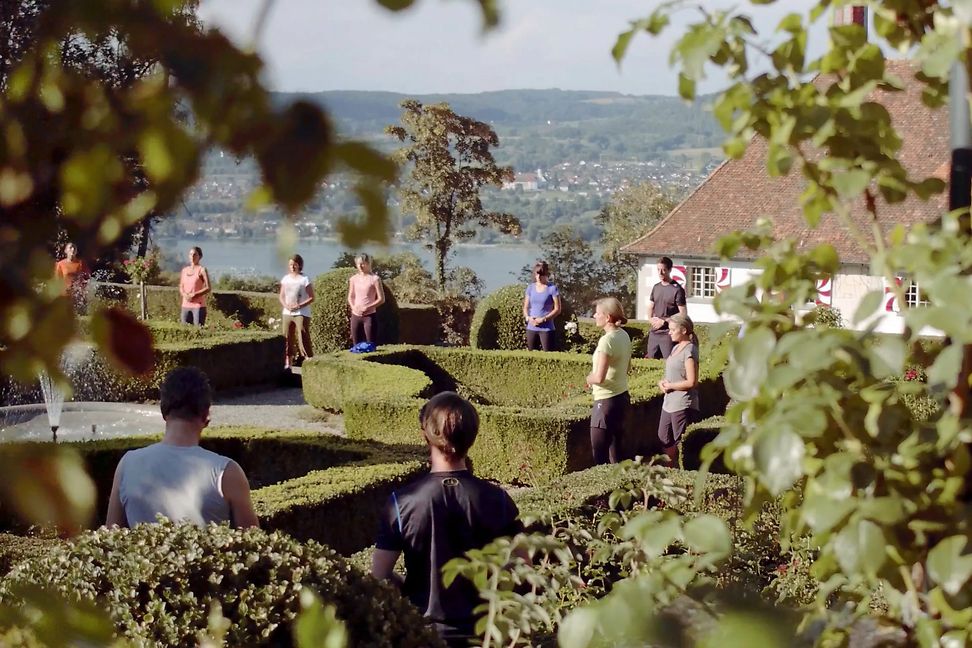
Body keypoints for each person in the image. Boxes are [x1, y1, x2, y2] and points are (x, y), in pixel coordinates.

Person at [372, 392, 524, 646]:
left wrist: (406, 585)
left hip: (424, 634)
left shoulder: (401, 503)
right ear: (472, 437)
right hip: (484, 635)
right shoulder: (497, 499)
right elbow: (521, 568)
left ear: (425, 435)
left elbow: (378, 575)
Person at [105, 367, 258, 528]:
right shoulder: (226, 472)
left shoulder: (127, 464)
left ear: (163, 411)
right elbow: (253, 544)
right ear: (206, 415)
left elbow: (109, 537)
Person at [586, 297, 632, 465]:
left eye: (597, 313)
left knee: (600, 457)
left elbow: (599, 377)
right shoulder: (624, 335)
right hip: (622, 398)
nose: (594, 316)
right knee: (617, 457)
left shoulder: (607, 341)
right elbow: (628, 367)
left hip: (605, 402)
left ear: (607, 317)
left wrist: (588, 378)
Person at [657, 313, 701, 464]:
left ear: (683, 330)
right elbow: (673, 374)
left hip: (682, 403)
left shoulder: (689, 350)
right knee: (663, 436)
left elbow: (692, 381)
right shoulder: (675, 348)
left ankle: (682, 472)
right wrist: (663, 383)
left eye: (672, 329)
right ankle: (671, 468)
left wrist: (670, 386)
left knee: (680, 441)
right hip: (669, 401)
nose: (669, 332)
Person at [646, 256, 687, 359]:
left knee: (669, 363)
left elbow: (683, 314)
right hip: (654, 333)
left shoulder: (677, 290)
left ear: (669, 270)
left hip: (668, 334)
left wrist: (664, 322)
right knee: (650, 361)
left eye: (663, 270)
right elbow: (650, 306)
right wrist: (650, 319)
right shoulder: (656, 287)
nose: (660, 272)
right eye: (658, 269)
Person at [279, 254, 315, 370]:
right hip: (287, 312)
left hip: (301, 313)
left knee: (303, 335)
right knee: (287, 337)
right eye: (290, 265)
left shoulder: (305, 279)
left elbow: (311, 297)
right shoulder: (285, 278)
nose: (292, 267)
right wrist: (286, 305)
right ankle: (288, 363)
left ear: (299, 265)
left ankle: (309, 360)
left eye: (294, 264)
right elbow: (281, 296)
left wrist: (299, 305)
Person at [522, 260, 561, 351]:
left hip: (547, 329)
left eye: (541, 274)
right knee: (532, 355)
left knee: (548, 355)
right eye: (536, 274)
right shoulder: (530, 288)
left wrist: (544, 319)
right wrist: (528, 318)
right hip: (531, 327)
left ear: (546, 274)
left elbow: (557, 309)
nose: (538, 277)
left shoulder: (552, 288)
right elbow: (525, 307)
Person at [347, 253, 385, 345]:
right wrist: (353, 307)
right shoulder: (353, 279)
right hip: (355, 316)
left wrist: (368, 307)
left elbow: (381, 299)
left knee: (370, 344)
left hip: (369, 316)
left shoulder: (375, 279)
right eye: (358, 264)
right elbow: (350, 296)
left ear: (368, 264)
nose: (360, 266)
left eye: (363, 263)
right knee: (356, 345)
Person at [179, 246, 210, 326]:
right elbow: (181, 286)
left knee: (198, 330)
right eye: (190, 254)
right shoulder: (184, 270)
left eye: (195, 255)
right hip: (185, 305)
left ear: (199, 256)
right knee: (185, 330)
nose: (192, 257)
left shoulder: (202, 270)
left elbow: (208, 287)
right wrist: (184, 295)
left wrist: (194, 295)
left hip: (198, 306)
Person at [54, 241, 90, 311]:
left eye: (74, 248)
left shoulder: (81, 263)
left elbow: (88, 277)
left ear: (76, 251)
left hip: (78, 296)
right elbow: (57, 281)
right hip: (64, 296)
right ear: (65, 251)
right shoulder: (60, 264)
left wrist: (84, 290)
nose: (73, 249)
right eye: (70, 248)